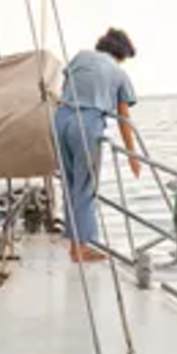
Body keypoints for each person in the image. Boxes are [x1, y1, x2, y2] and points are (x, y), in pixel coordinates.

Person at [54, 27, 142, 263]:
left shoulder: (80, 57)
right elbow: (124, 119)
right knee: (85, 187)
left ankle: (75, 244)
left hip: (60, 119)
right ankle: (82, 248)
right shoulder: (119, 74)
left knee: (70, 184)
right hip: (87, 124)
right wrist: (132, 156)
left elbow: (65, 91)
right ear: (121, 55)